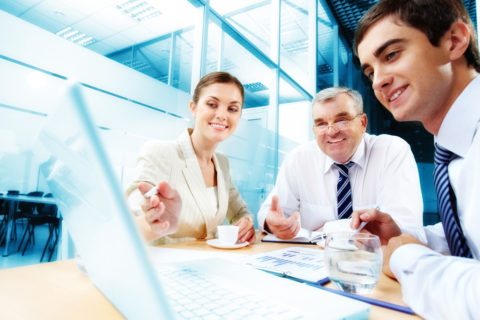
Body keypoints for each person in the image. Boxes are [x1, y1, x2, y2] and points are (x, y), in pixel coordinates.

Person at [353, 0, 480, 318]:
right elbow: (470, 234)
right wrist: (404, 237)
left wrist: (407, 257)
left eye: (391, 54)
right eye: (370, 71)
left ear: (453, 41)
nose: (378, 81)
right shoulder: (454, 148)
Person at [257, 86, 423, 239]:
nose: (331, 131)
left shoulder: (392, 151)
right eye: (321, 124)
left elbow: (405, 226)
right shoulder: (298, 158)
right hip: (312, 261)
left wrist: (328, 230)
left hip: (373, 262)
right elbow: (270, 213)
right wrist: (271, 223)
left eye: (342, 120)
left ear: (363, 123)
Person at [126, 71, 255, 245]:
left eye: (232, 109)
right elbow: (126, 225)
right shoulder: (160, 152)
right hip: (165, 267)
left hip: (209, 267)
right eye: (212, 104)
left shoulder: (222, 163)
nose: (222, 115)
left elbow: (240, 212)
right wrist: (155, 222)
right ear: (193, 108)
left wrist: (246, 223)